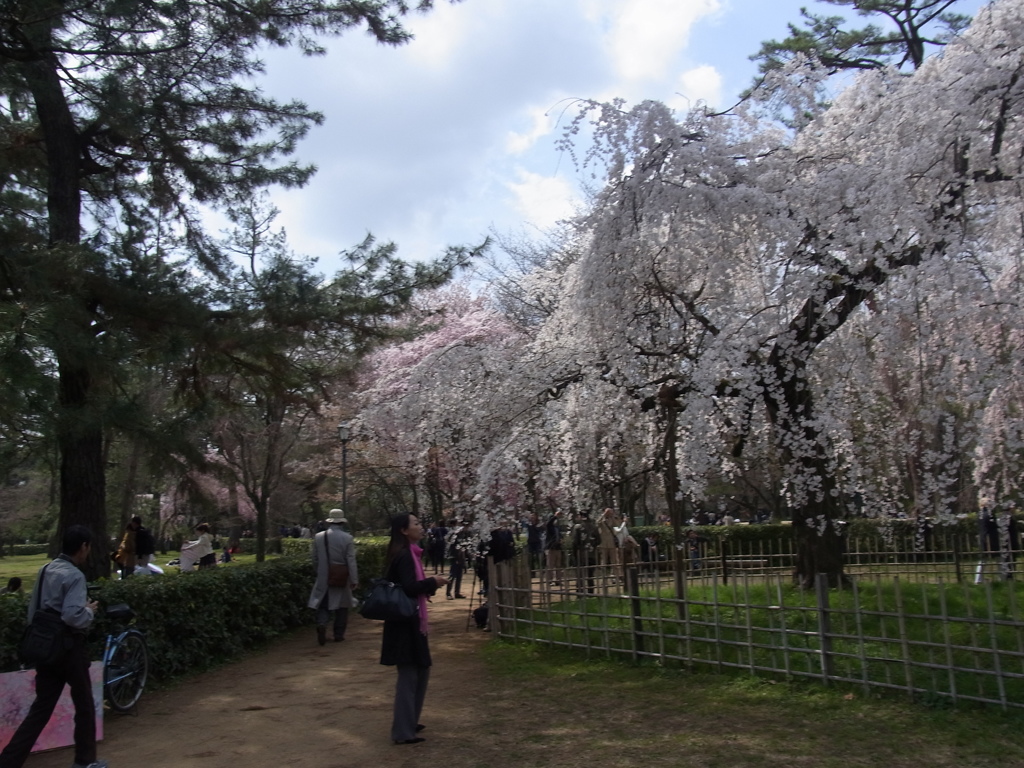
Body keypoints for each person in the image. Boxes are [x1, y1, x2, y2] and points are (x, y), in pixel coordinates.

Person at [0, 525, 107, 768]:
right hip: (70, 649)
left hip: (45, 649)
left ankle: (8, 762)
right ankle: (85, 761)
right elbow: (72, 616)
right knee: (84, 705)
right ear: (83, 547)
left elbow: (33, 610)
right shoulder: (75, 576)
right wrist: (88, 612)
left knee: (41, 709)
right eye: (88, 547)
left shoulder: (45, 569)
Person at [380, 513, 447, 745]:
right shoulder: (406, 555)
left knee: (420, 670)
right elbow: (409, 587)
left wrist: (430, 584)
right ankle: (403, 731)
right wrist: (432, 582)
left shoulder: (407, 553)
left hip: (408, 621)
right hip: (406, 624)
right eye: (416, 523)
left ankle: (409, 721)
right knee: (410, 675)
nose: (421, 526)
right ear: (403, 530)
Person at [307, 511, 359, 645]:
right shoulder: (347, 538)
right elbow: (351, 560)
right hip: (341, 575)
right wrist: (354, 579)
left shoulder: (319, 537)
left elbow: (315, 558)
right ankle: (338, 634)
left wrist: (318, 571)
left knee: (323, 603)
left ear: (329, 522)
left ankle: (322, 623)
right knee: (342, 605)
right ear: (342, 522)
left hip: (324, 574)